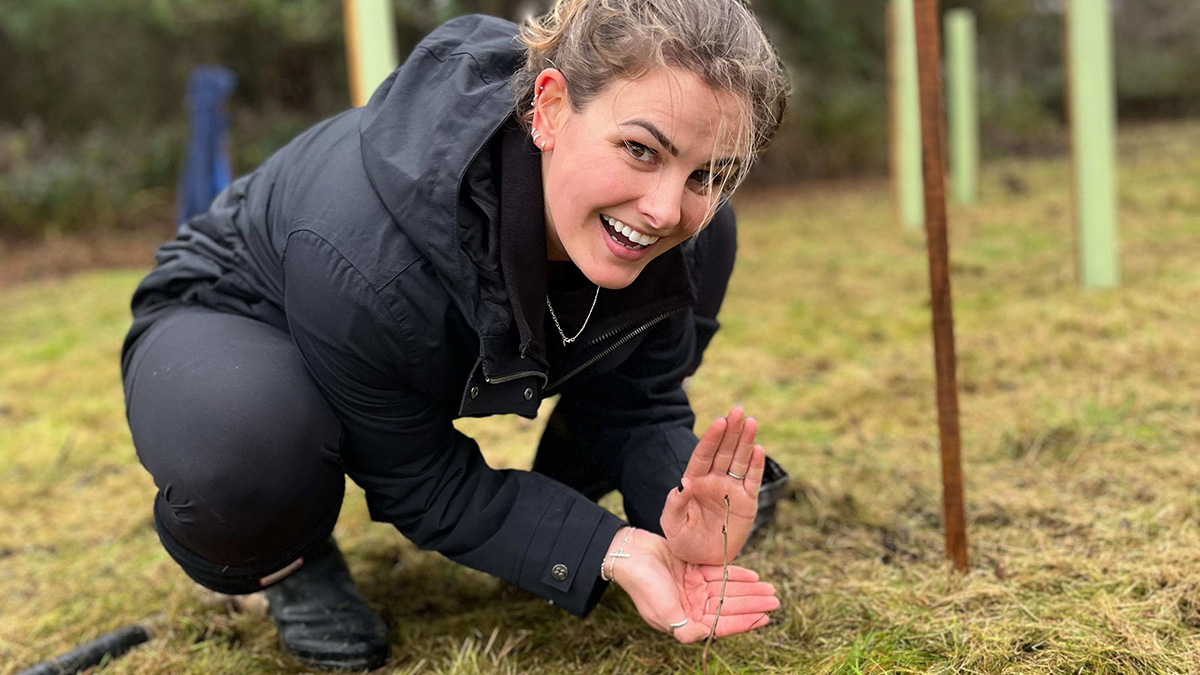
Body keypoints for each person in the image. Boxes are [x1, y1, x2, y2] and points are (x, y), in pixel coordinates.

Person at [120, 0, 790, 670]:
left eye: (708, 175)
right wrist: (602, 548)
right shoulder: (367, 254)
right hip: (238, 310)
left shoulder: (695, 236)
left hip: (375, 322)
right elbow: (416, 476)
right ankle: (284, 562)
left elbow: (637, 401)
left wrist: (672, 506)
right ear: (550, 109)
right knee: (247, 451)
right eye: (641, 150)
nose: (666, 210)